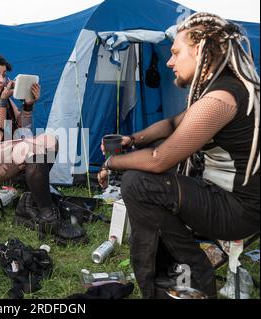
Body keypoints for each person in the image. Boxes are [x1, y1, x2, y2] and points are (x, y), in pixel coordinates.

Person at [98, 12, 260, 298]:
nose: (170, 62)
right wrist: (132, 139)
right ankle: (178, 268)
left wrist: (112, 163)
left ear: (198, 50)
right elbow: (173, 124)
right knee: (149, 180)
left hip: (239, 211)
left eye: (175, 52)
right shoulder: (225, 90)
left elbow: (160, 158)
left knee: (138, 182)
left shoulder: (221, 99)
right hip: (227, 197)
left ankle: (195, 271)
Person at [0, 50, 85, 245]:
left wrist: (28, 105)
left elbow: (23, 131)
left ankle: (28, 204)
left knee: (49, 141)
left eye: (4, 75)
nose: (1, 80)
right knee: (31, 149)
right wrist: (4, 101)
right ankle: (49, 218)